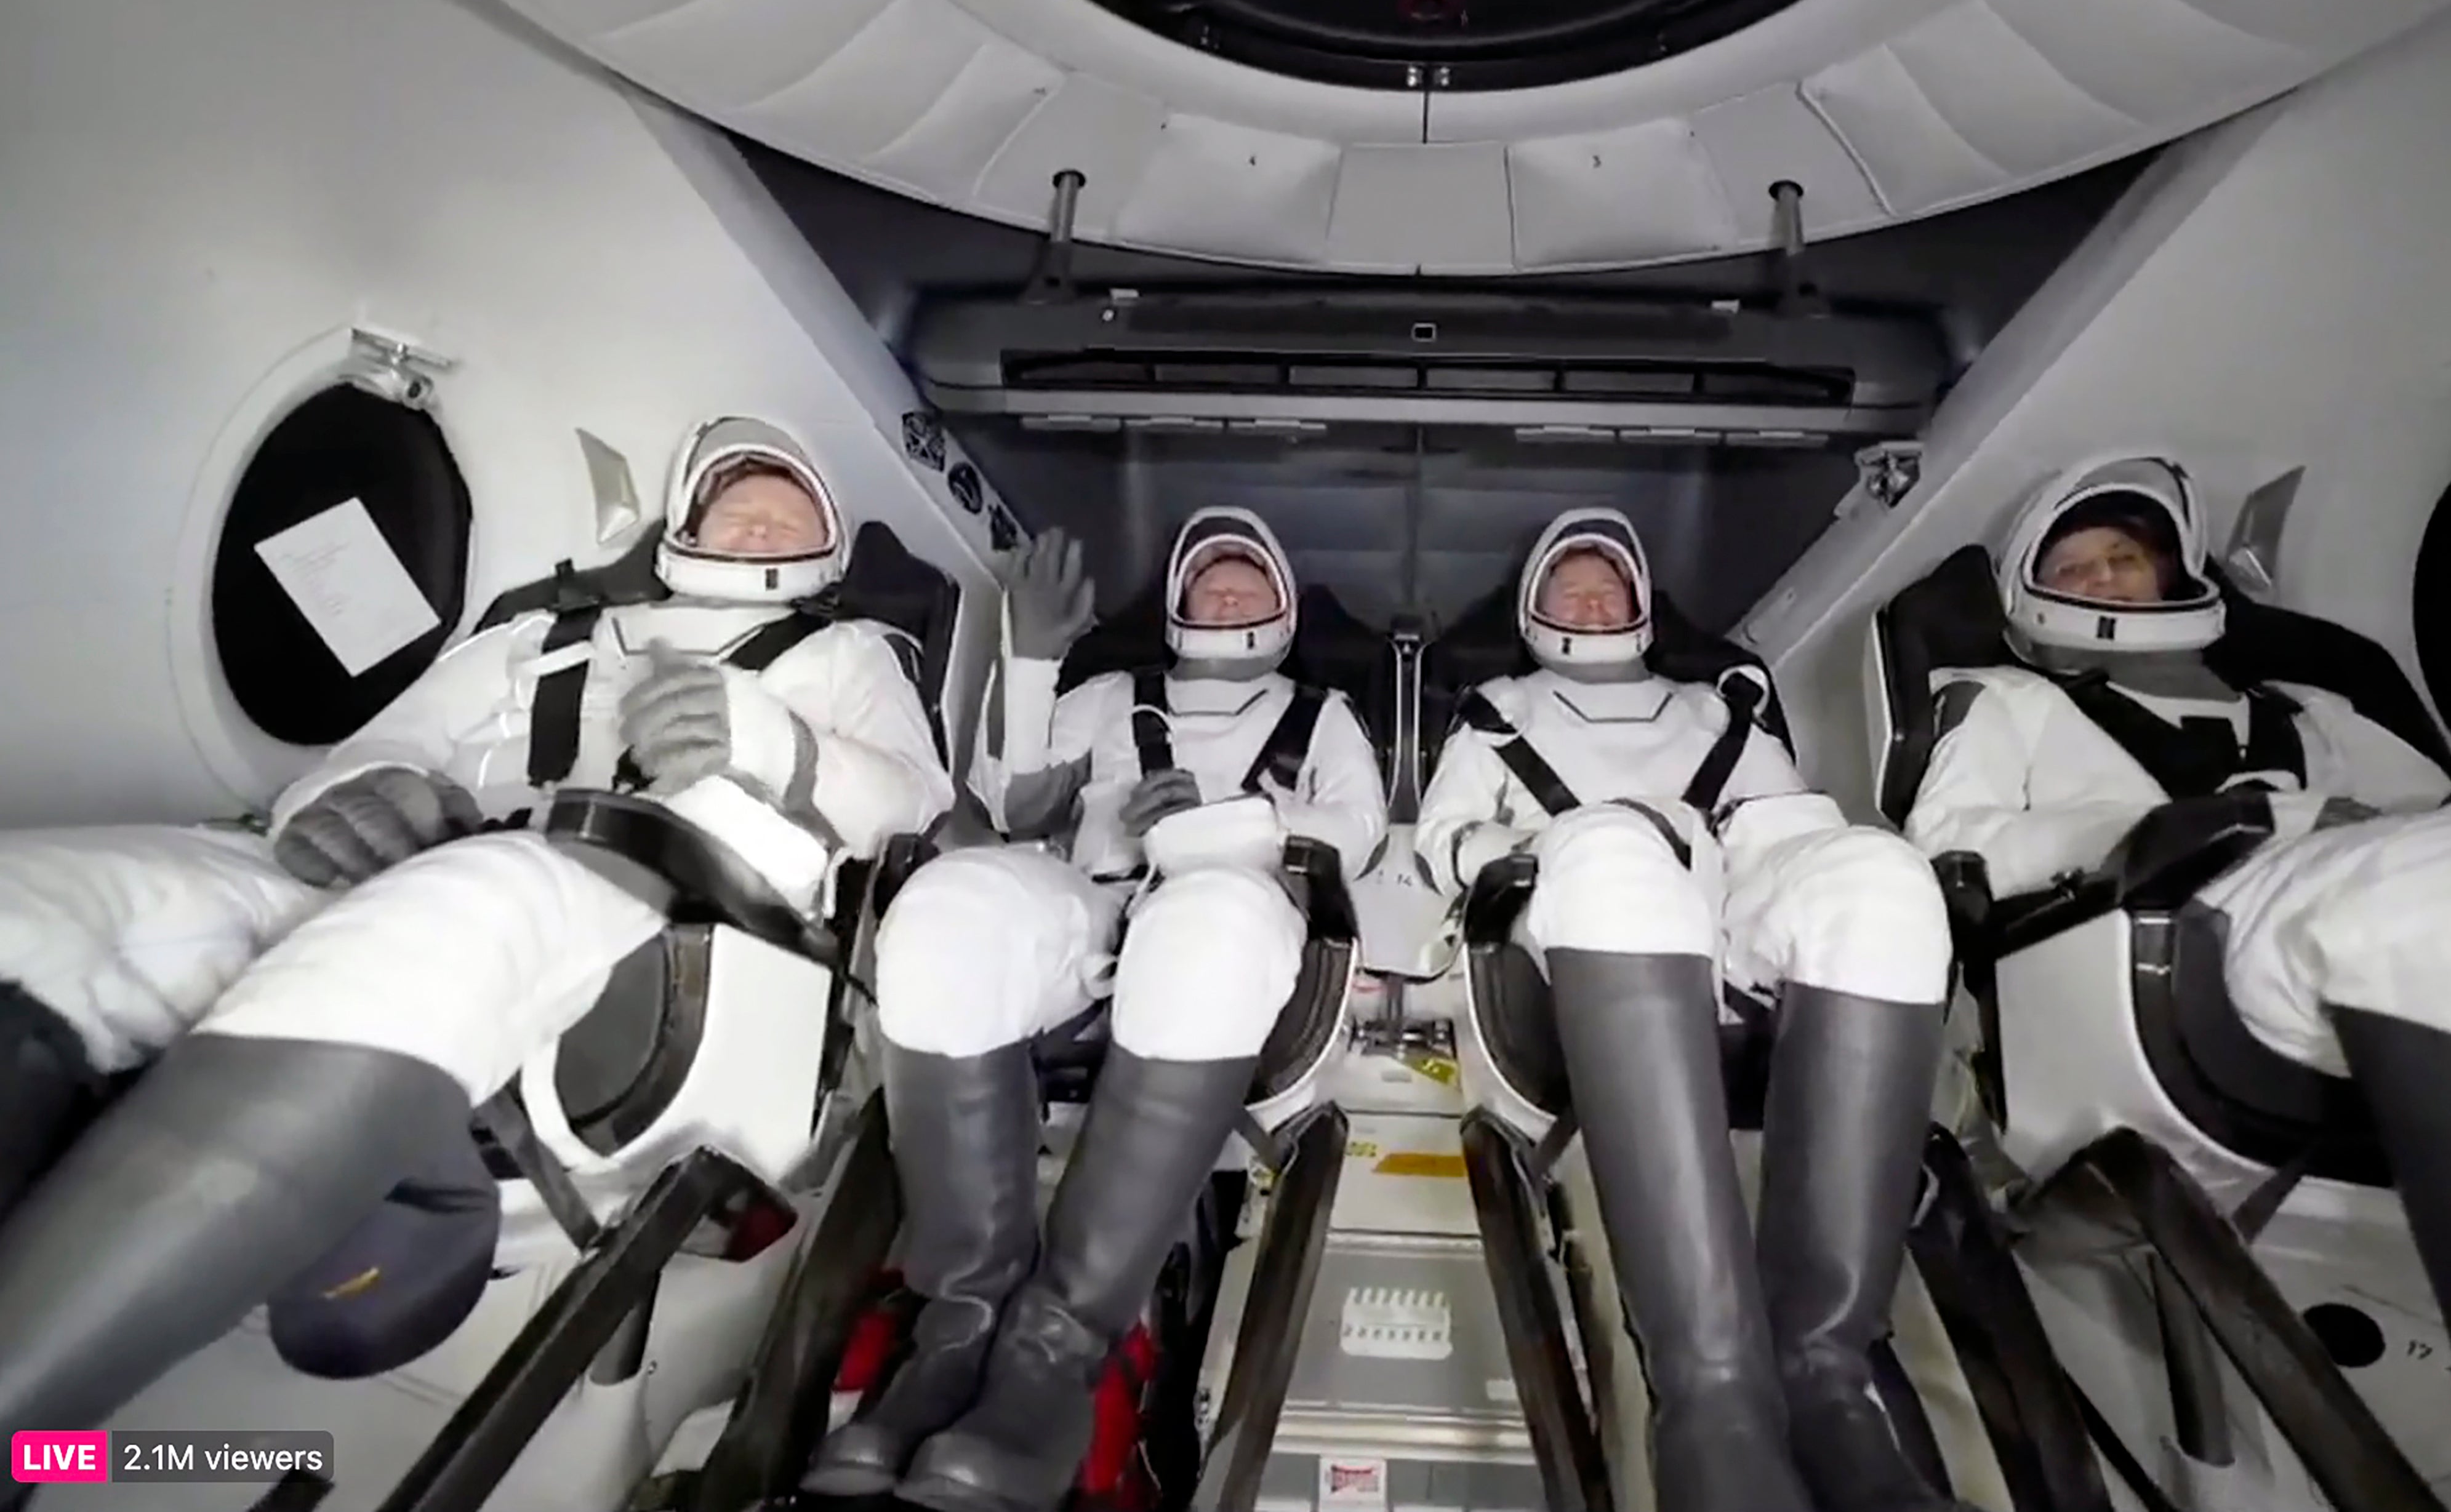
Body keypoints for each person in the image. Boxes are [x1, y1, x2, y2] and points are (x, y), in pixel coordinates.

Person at [0, 417, 955, 1439]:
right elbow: (388, 741)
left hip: (667, 918)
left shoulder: (850, 654)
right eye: (741, 510)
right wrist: (362, 790)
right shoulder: (538, 634)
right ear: (687, 521)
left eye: (788, 518)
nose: (763, 529)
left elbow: (917, 802)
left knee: (477, 902)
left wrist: (778, 744)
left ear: (829, 549)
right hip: (405, 871)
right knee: (77, 905)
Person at [1906, 455, 2451, 1511]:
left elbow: (2444, 809)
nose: (2111, 579)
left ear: (2176, 574)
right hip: (2176, 924)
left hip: (2381, 881)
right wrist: (2222, 820)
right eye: (2081, 564)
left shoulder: (2307, 706)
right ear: (2035, 591)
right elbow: (1955, 843)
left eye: (2127, 558)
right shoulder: (2007, 701)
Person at [804, 507, 1387, 1509]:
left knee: (1206, 924)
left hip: (1234, 897)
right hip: (1098, 893)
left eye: (1252, 573)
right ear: (1178, 605)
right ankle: (957, 1333)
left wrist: (1231, 816)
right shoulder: (1113, 694)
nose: (1231, 588)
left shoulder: (1323, 713)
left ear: (1286, 609)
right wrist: (1031, 665)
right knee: (948, 905)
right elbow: (1014, 805)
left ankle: (1051, 1361)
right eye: (1212, 577)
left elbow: (1360, 830)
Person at [1413, 506, 1970, 1512]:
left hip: (1728, 906)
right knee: (1616, 850)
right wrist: (1529, 853)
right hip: (1573, 927)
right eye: (1570, 586)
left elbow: (1787, 825)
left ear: (1641, 604)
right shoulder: (1501, 711)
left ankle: (1825, 1377)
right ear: (1536, 613)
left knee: (1879, 872)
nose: (1593, 599)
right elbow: (1445, 838)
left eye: (1609, 584)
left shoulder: (1719, 710)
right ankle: (1713, 1409)